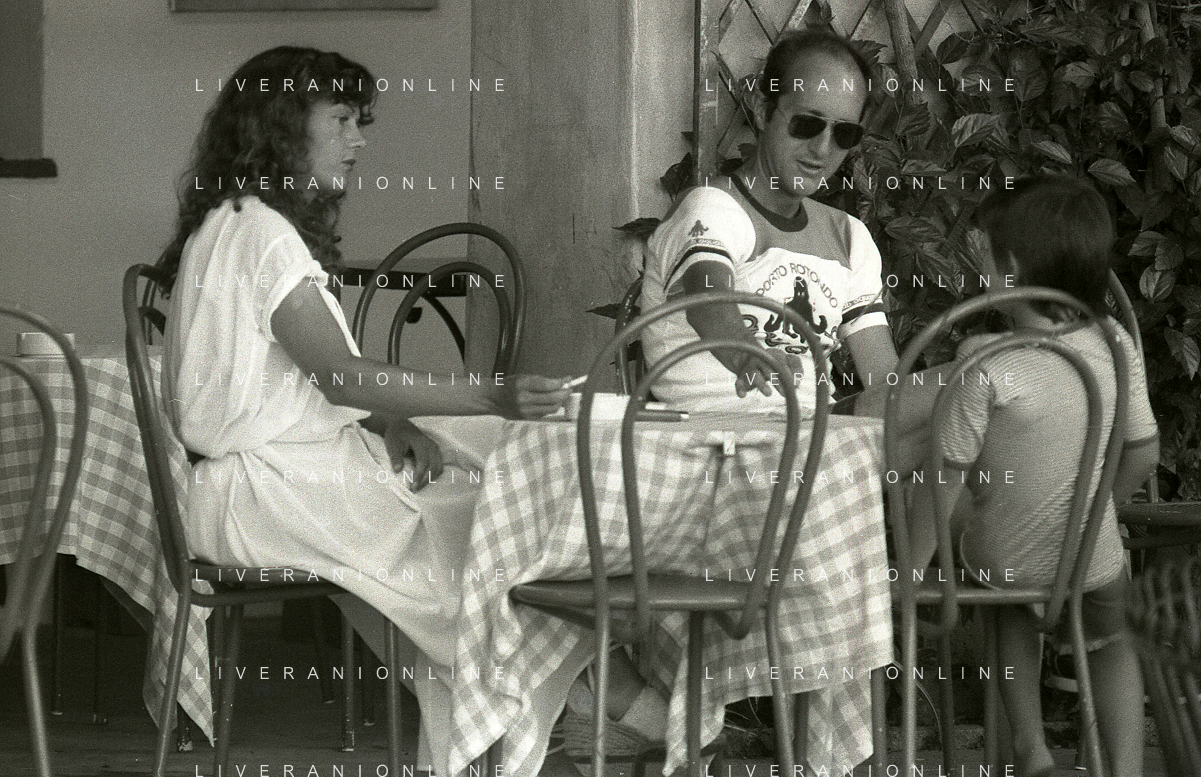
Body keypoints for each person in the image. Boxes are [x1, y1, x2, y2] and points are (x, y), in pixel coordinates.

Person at [156, 46, 571, 775]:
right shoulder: (260, 233)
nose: (358, 141)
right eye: (342, 120)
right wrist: (491, 393)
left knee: (472, 497)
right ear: (283, 125)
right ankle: (567, 711)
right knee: (489, 533)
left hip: (255, 484)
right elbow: (342, 377)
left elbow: (296, 380)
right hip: (263, 492)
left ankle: (504, 723)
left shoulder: (234, 219)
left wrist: (391, 421)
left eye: (360, 123)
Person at [912, 176, 1157, 777]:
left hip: (1008, 562)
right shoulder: (1115, 342)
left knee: (1003, 598)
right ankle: (1124, 769)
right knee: (1113, 639)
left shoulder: (987, 364)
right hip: (1091, 558)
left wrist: (911, 571)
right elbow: (1144, 453)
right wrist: (1093, 512)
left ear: (1012, 269)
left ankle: (1032, 750)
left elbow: (943, 479)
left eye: (986, 253)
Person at [640, 28, 898, 414]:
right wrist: (748, 356)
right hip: (716, 431)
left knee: (973, 382)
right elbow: (706, 300)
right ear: (763, 111)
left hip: (816, 432)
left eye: (844, 134)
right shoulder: (713, 207)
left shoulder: (849, 236)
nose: (822, 149)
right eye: (807, 124)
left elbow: (885, 379)